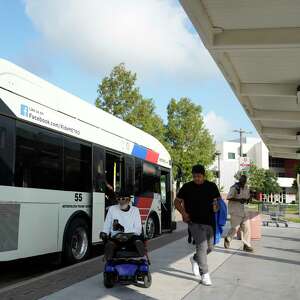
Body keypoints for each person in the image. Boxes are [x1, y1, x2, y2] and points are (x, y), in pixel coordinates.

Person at [175, 164, 220, 286]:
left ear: (204, 175)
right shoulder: (187, 187)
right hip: (193, 222)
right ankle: (204, 274)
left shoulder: (211, 186)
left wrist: (216, 206)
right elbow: (176, 202)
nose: (197, 179)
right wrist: (183, 213)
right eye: (194, 176)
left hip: (209, 222)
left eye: (199, 176)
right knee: (201, 246)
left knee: (210, 248)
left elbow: (217, 200)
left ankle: (195, 259)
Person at [100, 193, 145, 260]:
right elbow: (107, 225)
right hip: (116, 237)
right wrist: (104, 233)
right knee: (110, 244)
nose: (121, 201)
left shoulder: (135, 210)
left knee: (137, 241)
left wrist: (123, 229)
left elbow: (138, 230)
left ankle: (140, 249)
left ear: (129, 200)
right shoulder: (112, 209)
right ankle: (109, 255)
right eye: (119, 199)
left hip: (131, 237)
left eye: (123, 199)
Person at [224, 175, 254, 252]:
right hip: (235, 211)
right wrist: (239, 199)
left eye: (244, 181)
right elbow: (229, 197)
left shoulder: (246, 188)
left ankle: (247, 245)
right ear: (239, 180)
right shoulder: (234, 187)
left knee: (247, 228)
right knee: (235, 228)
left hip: (244, 211)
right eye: (242, 181)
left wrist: (250, 196)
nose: (243, 183)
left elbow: (247, 200)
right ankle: (228, 239)